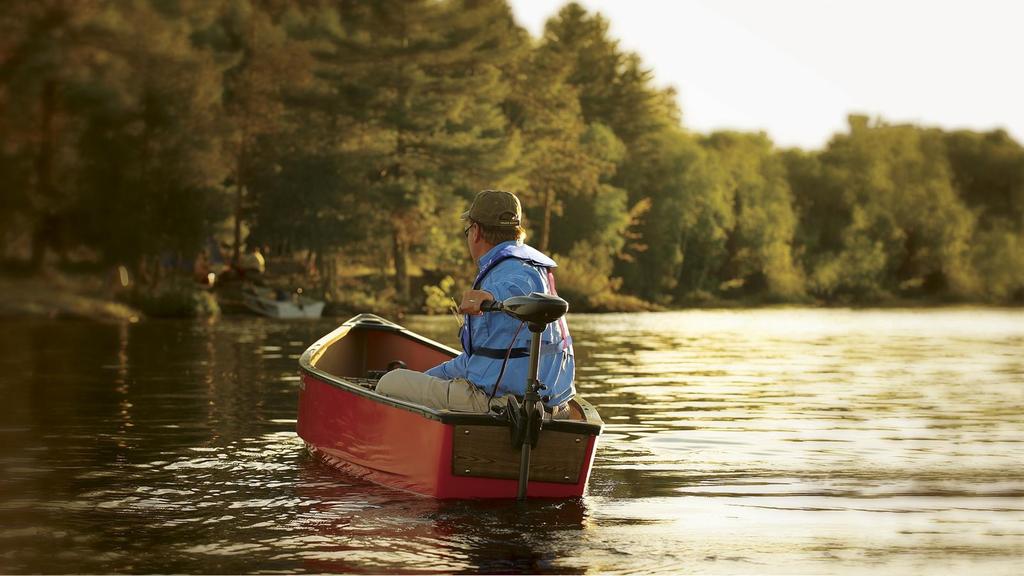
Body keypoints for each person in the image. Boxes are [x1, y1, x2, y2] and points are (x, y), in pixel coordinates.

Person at [376, 190, 576, 417]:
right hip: (557, 409)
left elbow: (517, 287)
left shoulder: (508, 274)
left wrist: (491, 296)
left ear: (476, 232)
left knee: (389, 382)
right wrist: (426, 377)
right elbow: (475, 364)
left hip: (502, 408)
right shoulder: (534, 268)